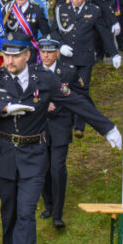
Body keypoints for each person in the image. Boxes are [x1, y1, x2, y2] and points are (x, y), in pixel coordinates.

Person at [0, 31, 120, 244]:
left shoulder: (44, 79)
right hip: (4, 154)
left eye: (15, 56)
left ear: (27, 55)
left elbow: (76, 101)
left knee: (26, 211)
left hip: (34, 154)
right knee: (9, 212)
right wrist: (1, 108)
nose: (9, 61)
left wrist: (107, 128)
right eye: (6, 56)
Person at [50, 0, 120, 137]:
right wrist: (60, 46)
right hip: (66, 58)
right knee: (64, 89)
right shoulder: (61, 10)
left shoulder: (93, 11)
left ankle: (79, 126)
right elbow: (54, 31)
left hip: (84, 58)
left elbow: (103, 33)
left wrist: (114, 53)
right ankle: (66, 120)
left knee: (81, 90)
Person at [37, 35, 89, 228]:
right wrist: (43, 105)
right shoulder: (33, 72)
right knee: (43, 168)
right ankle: (48, 205)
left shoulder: (68, 72)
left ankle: (58, 213)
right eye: (43, 52)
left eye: (50, 52)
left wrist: (78, 123)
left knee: (57, 169)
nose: (47, 56)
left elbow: (79, 98)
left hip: (60, 126)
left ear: (57, 53)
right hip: (40, 127)